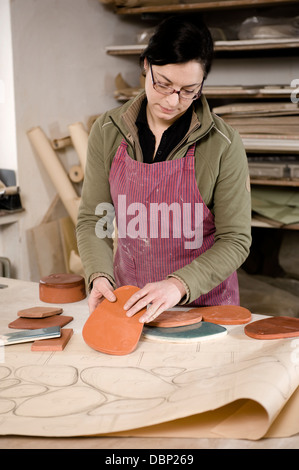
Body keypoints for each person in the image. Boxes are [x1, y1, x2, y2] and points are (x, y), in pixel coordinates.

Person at [76, 15, 252, 324]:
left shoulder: (223, 144)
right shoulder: (107, 130)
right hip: (131, 304)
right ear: (145, 64)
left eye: (188, 91)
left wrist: (178, 285)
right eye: (163, 84)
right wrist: (99, 275)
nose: (173, 101)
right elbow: (95, 219)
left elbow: (235, 239)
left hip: (204, 308)